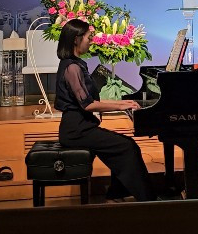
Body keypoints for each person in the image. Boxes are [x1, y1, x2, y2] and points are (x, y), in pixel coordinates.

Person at [54, 18, 156, 202]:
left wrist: (122, 103)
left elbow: (90, 101)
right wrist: (121, 105)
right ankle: (146, 200)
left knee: (125, 145)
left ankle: (118, 194)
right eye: (88, 37)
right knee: (127, 146)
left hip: (82, 127)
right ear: (76, 39)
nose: (91, 41)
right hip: (76, 131)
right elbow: (88, 104)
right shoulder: (72, 68)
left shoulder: (75, 64)